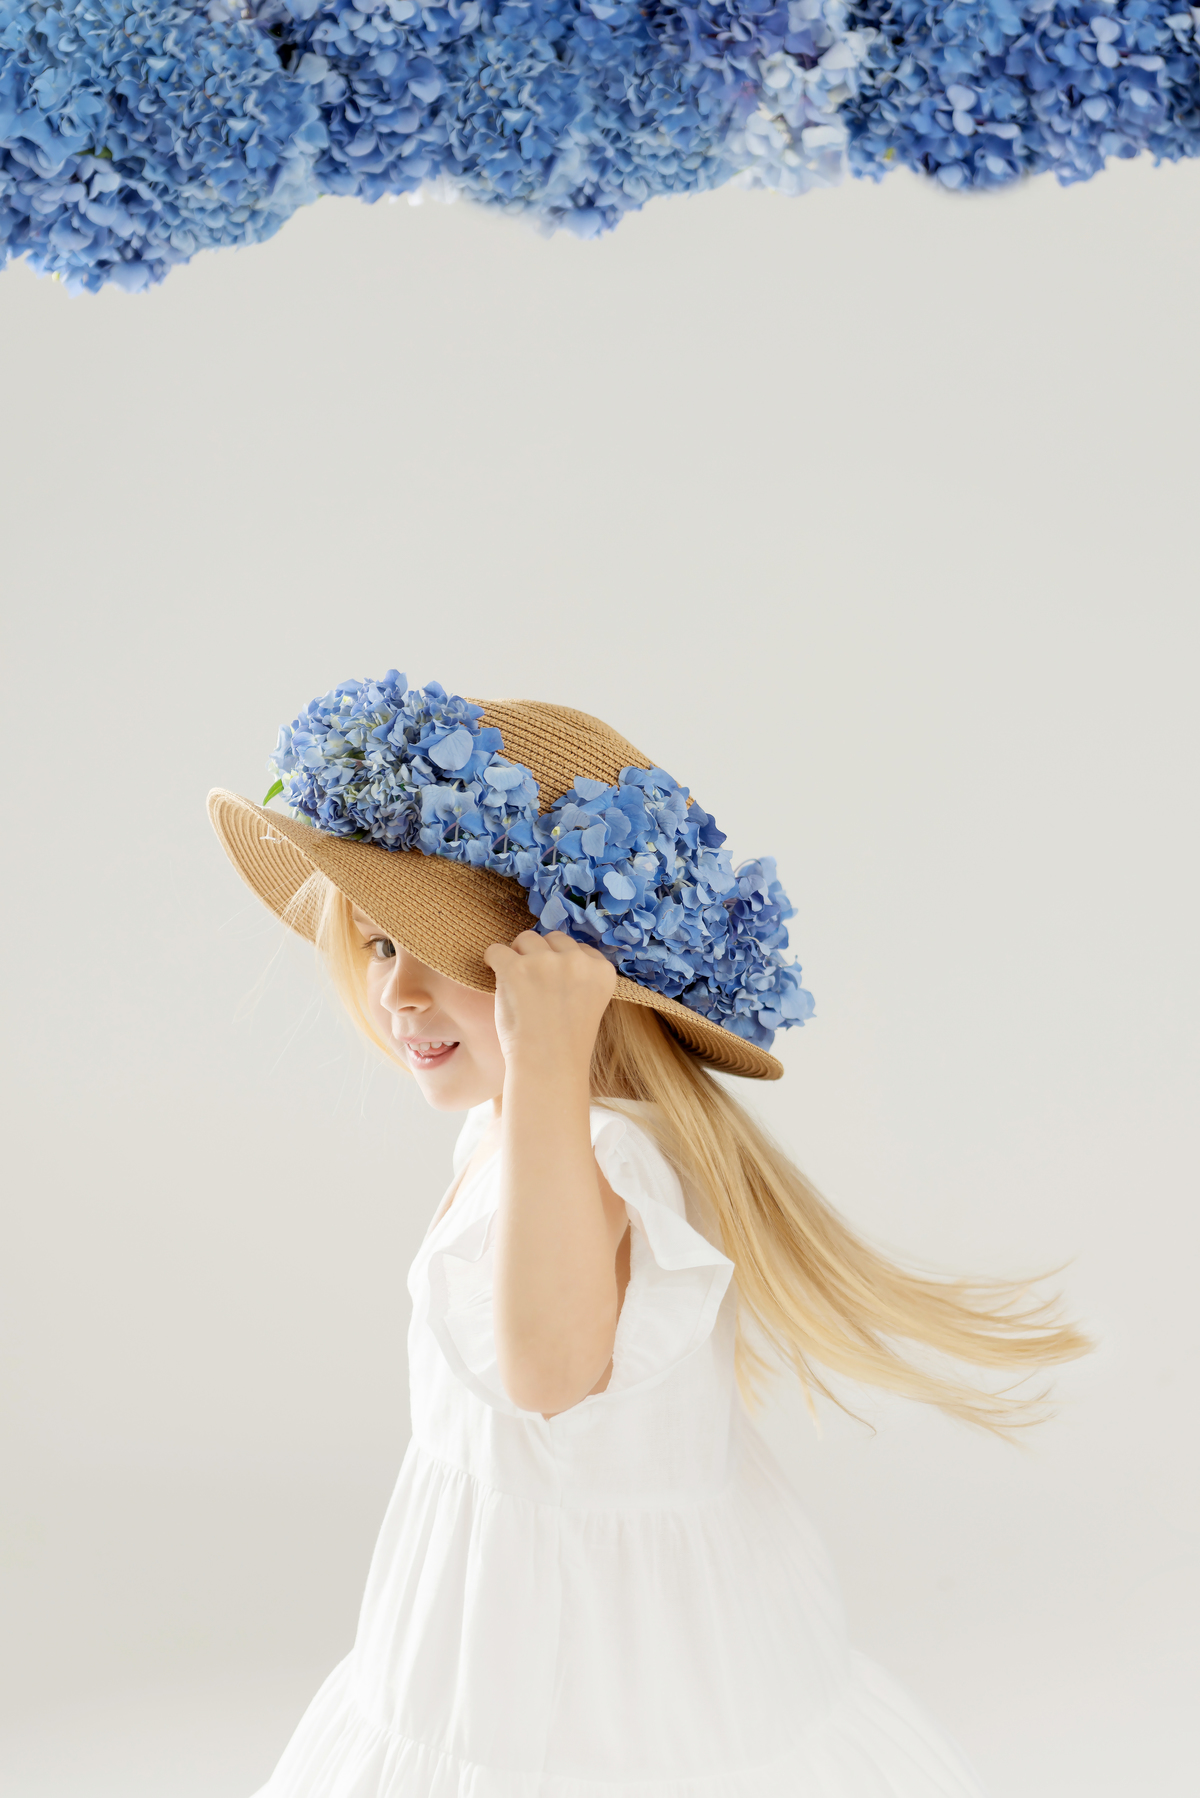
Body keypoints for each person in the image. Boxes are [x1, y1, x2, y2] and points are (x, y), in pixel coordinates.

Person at [208, 672, 1087, 1798]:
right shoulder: (523, 1130)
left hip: (584, 1681)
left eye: (454, 956)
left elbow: (548, 1372)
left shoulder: (592, 1153)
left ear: (572, 983)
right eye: (380, 947)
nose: (400, 996)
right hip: (501, 1635)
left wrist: (547, 1071)